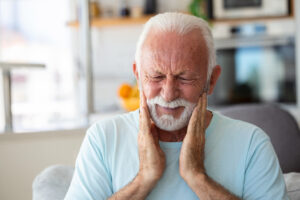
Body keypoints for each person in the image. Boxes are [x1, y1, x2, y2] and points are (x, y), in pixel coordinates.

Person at [65, 12, 288, 200]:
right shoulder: (102, 139)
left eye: (185, 78)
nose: (169, 94)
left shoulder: (252, 143)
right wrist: (144, 179)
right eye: (156, 76)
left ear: (211, 80)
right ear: (138, 75)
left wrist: (197, 177)